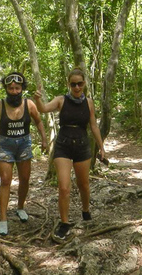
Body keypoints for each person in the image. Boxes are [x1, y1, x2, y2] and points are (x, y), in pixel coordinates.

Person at [34, 68, 106, 241]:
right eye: (73, 84)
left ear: (84, 84)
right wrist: (37, 99)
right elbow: (43, 109)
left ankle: (85, 210)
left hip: (82, 145)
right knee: (64, 187)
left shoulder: (88, 103)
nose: (76, 87)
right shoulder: (61, 100)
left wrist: (101, 147)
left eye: (79, 83)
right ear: (69, 84)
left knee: (84, 184)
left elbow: (93, 125)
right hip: (63, 146)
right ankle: (65, 223)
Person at [0, 72, 47, 236]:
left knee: (25, 178)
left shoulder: (29, 104)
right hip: (5, 145)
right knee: (5, 180)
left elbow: (38, 121)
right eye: (10, 88)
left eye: (17, 88)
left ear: (22, 89)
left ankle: (20, 207)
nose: (13, 91)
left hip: (24, 144)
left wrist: (44, 140)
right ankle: (3, 218)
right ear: (6, 88)